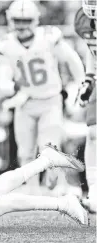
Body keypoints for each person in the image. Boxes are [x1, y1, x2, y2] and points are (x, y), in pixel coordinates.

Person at [0, 0, 85, 194]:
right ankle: (32, 191)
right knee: (25, 152)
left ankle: (54, 181)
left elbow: (71, 59)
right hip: (25, 103)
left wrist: (81, 81)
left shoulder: (48, 37)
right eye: (17, 20)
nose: (21, 25)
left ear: (35, 20)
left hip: (50, 100)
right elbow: (3, 76)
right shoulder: (6, 44)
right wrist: (9, 88)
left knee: (49, 149)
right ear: (11, 20)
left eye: (25, 20)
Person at [74, 0, 96, 214]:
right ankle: (95, 192)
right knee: (93, 133)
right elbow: (93, 50)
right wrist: (89, 78)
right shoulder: (83, 19)